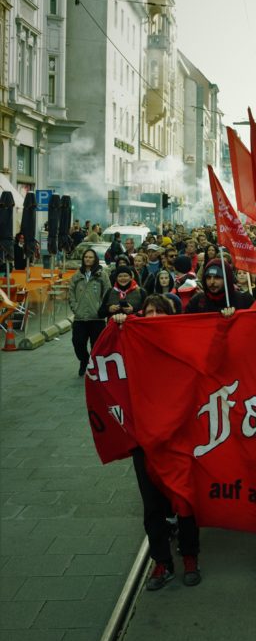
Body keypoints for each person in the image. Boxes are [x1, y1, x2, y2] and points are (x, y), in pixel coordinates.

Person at [113, 294, 202, 591]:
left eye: (159, 312)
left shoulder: (184, 346)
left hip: (179, 437)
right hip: (145, 440)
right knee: (152, 507)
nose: (152, 317)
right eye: (147, 312)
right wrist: (119, 325)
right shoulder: (132, 344)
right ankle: (161, 561)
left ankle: (190, 557)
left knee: (185, 501)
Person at [68, 248, 112, 376]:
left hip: (96, 318)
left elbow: (107, 292)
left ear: (95, 259)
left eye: (91, 257)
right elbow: (70, 292)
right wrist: (75, 307)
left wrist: (101, 308)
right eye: (86, 257)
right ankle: (84, 360)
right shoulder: (77, 275)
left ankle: (95, 367)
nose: (88, 259)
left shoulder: (101, 274)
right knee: (78, 343)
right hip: (80, 317)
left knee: (97, 345)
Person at [186, 259, 253, 314]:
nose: (212, 282)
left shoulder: (244, 300)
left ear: (227, 278)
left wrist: (234, 318)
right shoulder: (197, 301)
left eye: (217, 277)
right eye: (208, 277)